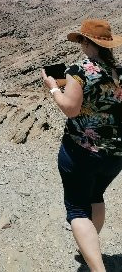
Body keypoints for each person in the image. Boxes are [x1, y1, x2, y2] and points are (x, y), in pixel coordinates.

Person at [42, 19, 122, 272]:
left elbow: (70, 109)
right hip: (115, 152)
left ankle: (98, 268)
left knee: (77, 208)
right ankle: (89, 245)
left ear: (86, 42)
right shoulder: (118, 70)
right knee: (96, 196)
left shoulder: (79, 70)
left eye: (81, 41)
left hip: (82, 151)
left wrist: (54, 88)